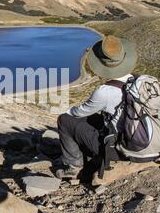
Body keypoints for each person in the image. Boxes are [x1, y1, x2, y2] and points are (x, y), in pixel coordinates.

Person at [55, 35, 138, 180]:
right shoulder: (141, 81)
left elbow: (80, 112)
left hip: (124, 148)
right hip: (150, 142)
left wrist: (68, 111)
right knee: (93, 119)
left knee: (64, 120)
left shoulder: (105, 91)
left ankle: (74, 167)